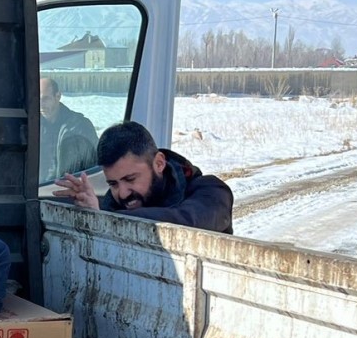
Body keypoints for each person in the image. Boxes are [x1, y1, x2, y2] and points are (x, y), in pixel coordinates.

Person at [53, 120, 234, 233]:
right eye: (113, 184)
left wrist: (106, 220)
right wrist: (93, 216)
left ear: (159, 164)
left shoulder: (211, 191)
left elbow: (187, 222)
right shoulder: (114, 204)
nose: (122, 193)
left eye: (130, 179)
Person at [37, 77, 99, 185]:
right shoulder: (30, 127)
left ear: (58, 96)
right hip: (38, 191)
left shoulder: (80, 126)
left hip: (71, 190)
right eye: (37, 99)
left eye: (45, 98)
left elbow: (97, 165)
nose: (41, 104)